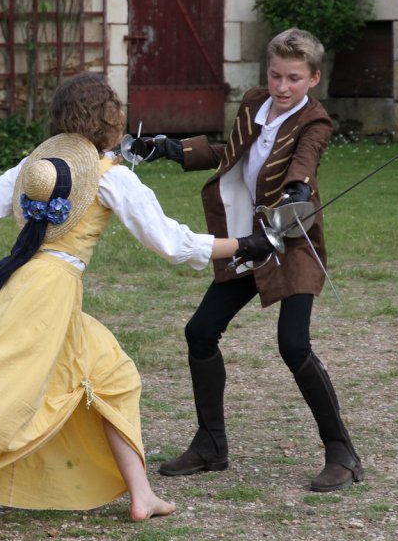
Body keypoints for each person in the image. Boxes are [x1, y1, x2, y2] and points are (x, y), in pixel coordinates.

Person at [0, 73, 275, 541]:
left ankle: (142, 494)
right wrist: (245, 244)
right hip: (43, 296)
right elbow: (170, 242)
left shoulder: (43, 165)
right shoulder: (107, 177)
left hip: (36, 288)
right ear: (110, 119)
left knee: (113, 377)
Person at [128, 28, 363, 492]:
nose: (282, 87)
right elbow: (230, 154)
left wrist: (295, 196)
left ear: (313, 78)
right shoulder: (255, 102)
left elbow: (303, 167)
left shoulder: (315, 122)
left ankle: (342, 453)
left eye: (293, 78)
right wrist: (171, 149)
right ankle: (211, 445)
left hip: (290, 242)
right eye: (275, 75)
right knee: (200, 331)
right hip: (247, 239)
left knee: (293, 345)